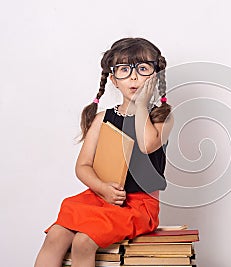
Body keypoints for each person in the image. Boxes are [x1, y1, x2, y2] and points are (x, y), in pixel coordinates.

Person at [34, 37, 174, 267]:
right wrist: (102, 189)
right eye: (124, 69)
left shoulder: (162, 117)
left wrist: (141, 105)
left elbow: (147, 144)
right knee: (55, 235)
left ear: (155, 76)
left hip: (138, 205)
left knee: (83, 241)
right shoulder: (103, 119)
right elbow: (83, 166)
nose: (134, 76)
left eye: (142, 69)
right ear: (113, 80)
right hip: (101, 197)